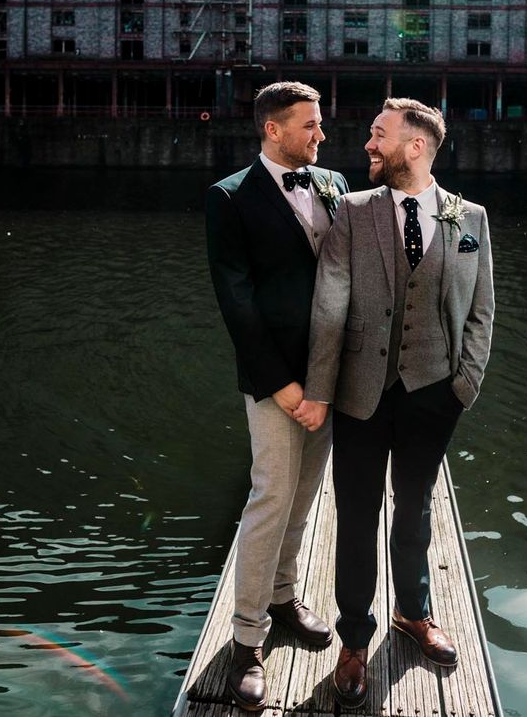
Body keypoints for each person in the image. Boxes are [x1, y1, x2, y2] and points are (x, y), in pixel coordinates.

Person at [295, 97, 494, 708]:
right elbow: (329, 307)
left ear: (416, 146)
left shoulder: (471, 219)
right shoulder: (353, 213)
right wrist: (322, 392)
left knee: (415, 511)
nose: (368, 146)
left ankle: (415, 612)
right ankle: (354, 640)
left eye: (379, 136)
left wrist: (465, 384)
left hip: (435, 394)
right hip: (360, 394)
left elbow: (482, 309)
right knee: (356, 516)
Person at [205, 81, 349, 712]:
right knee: (270, 495)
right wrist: (283, 385)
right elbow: (235, 302)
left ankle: (285, 596)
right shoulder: (229, 198)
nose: (321, 134)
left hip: (332, 378)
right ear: (273, 129)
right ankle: (245, 641)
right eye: (309, 125)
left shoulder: (334, 184)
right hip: (275, 381)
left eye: (320, 124)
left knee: (305, 495)